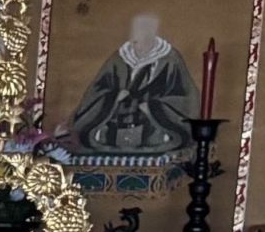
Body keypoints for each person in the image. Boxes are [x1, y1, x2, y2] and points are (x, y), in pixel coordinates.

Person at [66, 12, 195, 163]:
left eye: (144, 41)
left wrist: (153, 108)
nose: (139, 46)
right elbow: (96, 91)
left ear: (153, 38)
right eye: (135, 41)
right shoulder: (119, 59)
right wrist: (114, 98)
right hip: (114, 127)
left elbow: (184, 98)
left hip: (154, 130)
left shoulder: (170, 60)